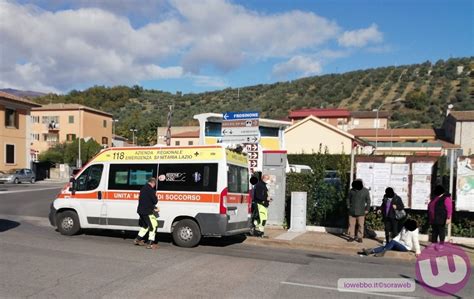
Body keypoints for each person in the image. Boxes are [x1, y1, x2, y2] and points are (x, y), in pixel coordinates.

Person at [134, 177, 159, 249]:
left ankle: (137, 240)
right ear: (153, 183)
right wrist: (155, 197)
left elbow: (146, 201)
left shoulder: (143, 188)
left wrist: (153, 207)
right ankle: (150, 243)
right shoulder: (150, 190)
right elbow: (155, 201)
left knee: (145, 225)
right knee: (153, 226)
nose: (154, 186)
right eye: (155, 184)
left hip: (140, 211)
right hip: (147, 212)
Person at [253, 173, 272, 237]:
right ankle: (259, 232)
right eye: (267, 178)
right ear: (263, 178)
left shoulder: (263, 185)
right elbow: (258, 196)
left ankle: (259, 231)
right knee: (262, 219)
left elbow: (263, 195)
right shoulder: (260, 185)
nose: (268, 180)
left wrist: (268, 199)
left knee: (261, 218)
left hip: (262, 204)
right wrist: (266, 198)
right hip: (260, 204)